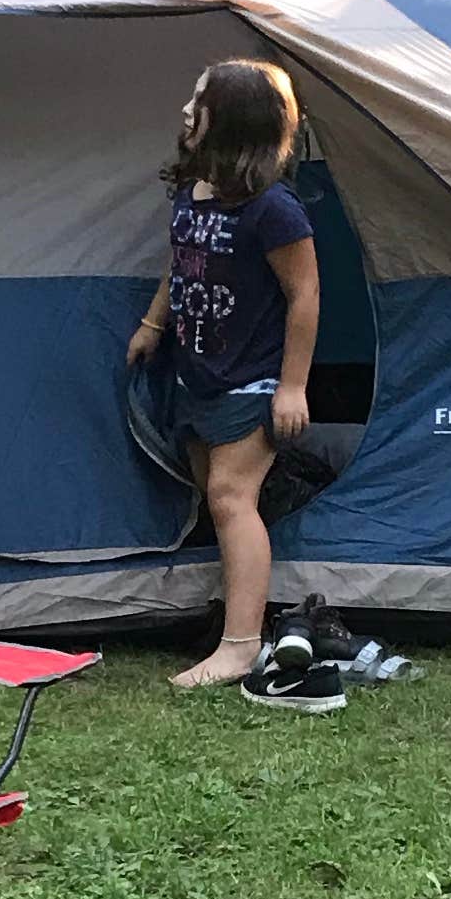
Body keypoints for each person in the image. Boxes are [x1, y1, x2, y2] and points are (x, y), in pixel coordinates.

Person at [126, 58, 319, 692]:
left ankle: (240, 647)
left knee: (232, 500)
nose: (185, 111)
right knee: (220, 499)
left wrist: (291, 385)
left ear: (230, 122)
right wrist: (154, 324)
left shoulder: (274, 209)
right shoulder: (193, 190)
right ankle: (242, 619)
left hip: (251, 381)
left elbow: (304, 294)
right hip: (197, 374)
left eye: (198, 100)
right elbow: (180, 268)